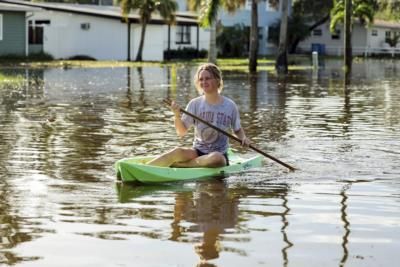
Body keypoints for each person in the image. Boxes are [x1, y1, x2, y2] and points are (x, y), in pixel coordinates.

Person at [148, 63, 250, 168]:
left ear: (217, 80)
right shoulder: (194, 104)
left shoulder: (230, 106)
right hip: (197, 152)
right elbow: (181, 132)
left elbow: (237, 129)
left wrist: (243, 138)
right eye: (201, 79)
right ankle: (145, 168)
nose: (204, 82)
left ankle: (184, 166)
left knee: (217, 158)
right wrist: (177, 116)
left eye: (207, 78)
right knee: (177, 151)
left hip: (218, 156)